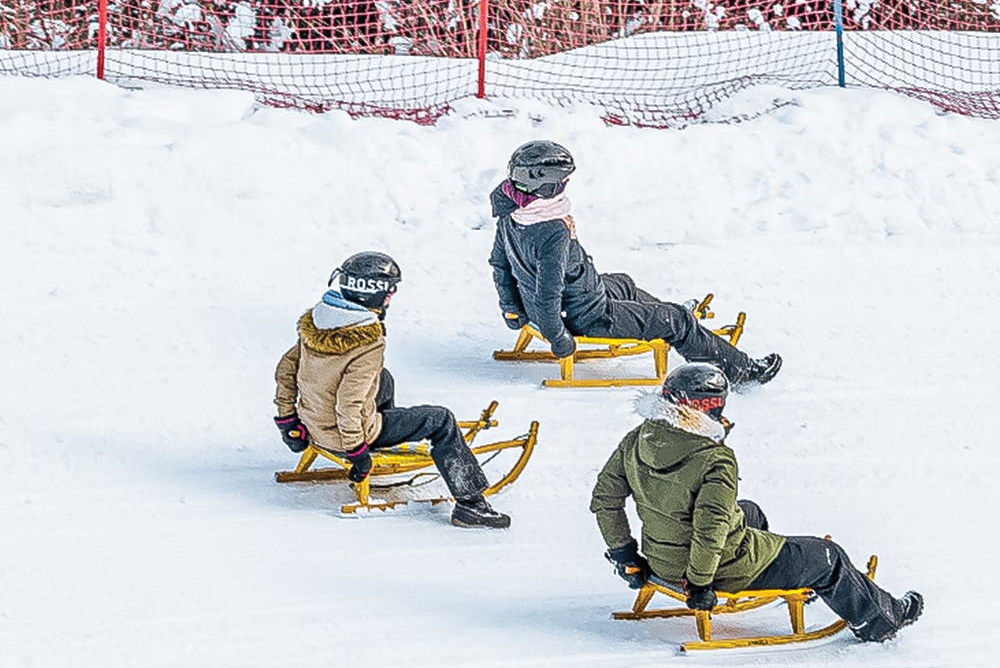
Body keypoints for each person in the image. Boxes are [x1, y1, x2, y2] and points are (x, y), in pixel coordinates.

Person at [591, 364, 921, 642]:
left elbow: (605, 498)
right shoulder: (715, 459)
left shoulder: (638, 437)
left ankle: (781, 581)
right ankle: (881, 621)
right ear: (710, 407)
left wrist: (625, 555)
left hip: (663, 559)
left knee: (750, 511)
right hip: (706, 569)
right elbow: (710, 530)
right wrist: (700, 583)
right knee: (827, 557)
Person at [488, 139, 780, 385]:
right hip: (588, 316)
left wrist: (512, 309)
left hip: (579, 297)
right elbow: (547, 294)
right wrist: (558, 338)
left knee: (624, 282)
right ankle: (741, 370)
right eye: (563, 182)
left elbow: (500, 265)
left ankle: (658, 314)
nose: (566, 185)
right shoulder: (553, 231)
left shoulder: (512, 213)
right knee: (677, 321)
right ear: (547, 186)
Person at [273, 251, 512, 529]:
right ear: (371, 293)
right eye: (390, 290)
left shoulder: (319, 320)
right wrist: (357, 452)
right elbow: (348, 404)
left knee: (383, 378)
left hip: (315, 424)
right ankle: (472, 505)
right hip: (344, 435)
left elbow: (286, 370)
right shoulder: (367, 342)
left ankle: (388, 434)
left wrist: (289, 424)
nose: (392, 296)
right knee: (442, 420)